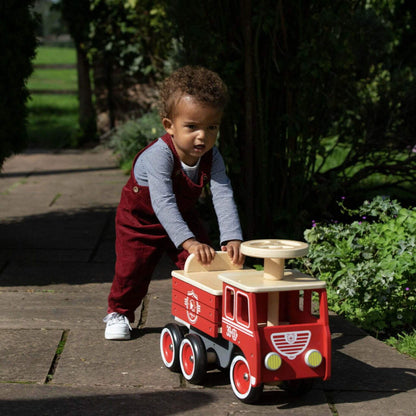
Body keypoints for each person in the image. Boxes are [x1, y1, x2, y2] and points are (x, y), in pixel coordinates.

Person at [104, 66, 244, 340]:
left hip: (181, 216)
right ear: (169, 125)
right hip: (140, 221)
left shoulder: (212, 156)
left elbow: (223, 194)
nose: (202, 136)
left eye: (211, 127)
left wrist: (232, 237)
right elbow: (163, 202)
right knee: (132, 269)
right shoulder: (160, 155)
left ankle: (199, 312)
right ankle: (118, 312)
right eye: (191, 127)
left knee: (205, 262)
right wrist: (189, 240)